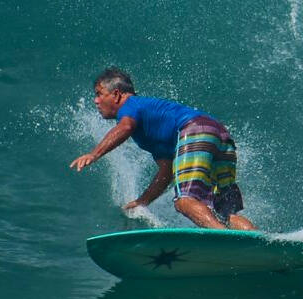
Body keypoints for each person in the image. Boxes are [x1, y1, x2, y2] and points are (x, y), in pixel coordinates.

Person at [70, 67, 256, 230]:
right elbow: (167, 171)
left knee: (185, 201)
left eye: (99, 94)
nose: (96, 101)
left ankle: (221, 238)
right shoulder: (153, 126)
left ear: (117, 94)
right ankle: (253, 240)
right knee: (225, 212)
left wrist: (94, 154)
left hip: (195, 130)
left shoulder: (130, 106)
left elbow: (124, 127)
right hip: (219, 134)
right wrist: (143, 201)